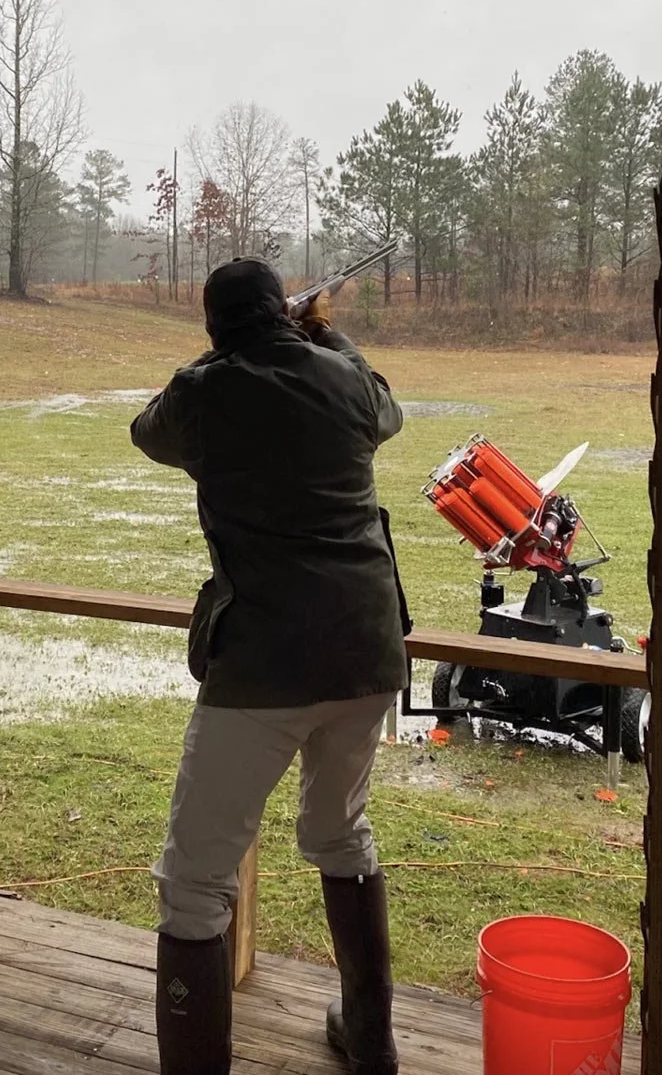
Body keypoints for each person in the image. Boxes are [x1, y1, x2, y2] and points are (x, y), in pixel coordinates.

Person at [131, 257, 408, 1075]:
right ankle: (372, 1039)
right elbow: (381, 401)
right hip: (367, 648)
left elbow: (149, 431)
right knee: (341, 833)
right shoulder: (346, 378)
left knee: (194, 882)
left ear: (216, 324)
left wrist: (246, 346)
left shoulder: (203, 391)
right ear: (282, 313)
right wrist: (321, 331)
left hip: (262, 660)